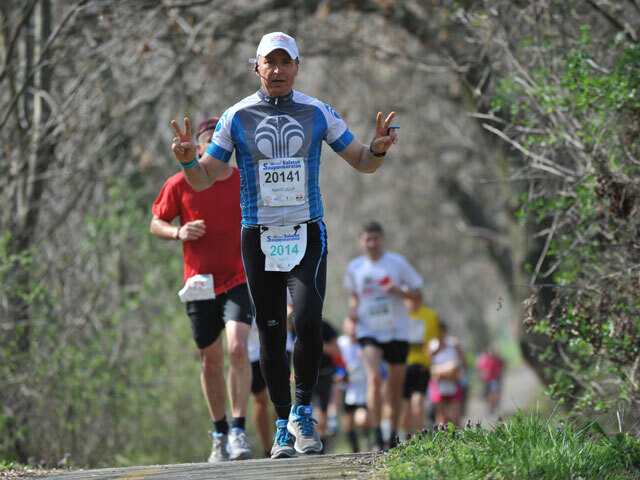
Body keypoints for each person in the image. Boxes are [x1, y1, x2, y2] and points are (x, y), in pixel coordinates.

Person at [170, 32, 398, 459]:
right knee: (272, 331)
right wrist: (187, 160)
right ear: (255, 67)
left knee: (308, 320)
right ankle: (280, 428)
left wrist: (380, 150)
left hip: (306, 233)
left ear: (297, 66)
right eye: (268, 62)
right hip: (258, 237)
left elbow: (363, 162)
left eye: (285, 62)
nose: (277, 70)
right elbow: (202, 177)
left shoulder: (317, 112)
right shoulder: (235, 116)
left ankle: (303, 413)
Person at [151, 117, 253, 462]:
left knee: (238, 348)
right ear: (199, 149)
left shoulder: (245, 182)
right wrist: (178, 232)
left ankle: (239, 429)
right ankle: (220, 433)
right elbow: (156, 222)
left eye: (223, 145)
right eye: (210, 143)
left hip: (239, 279)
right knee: (210, 362)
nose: (217, 150)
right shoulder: (179, 184)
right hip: (198, 284)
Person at [344, 220, 423, 450]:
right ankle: (377, 434)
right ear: (361, 242)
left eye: (375, 238)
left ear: (382, 239)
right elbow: (354, 299)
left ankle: (392, 434)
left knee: (395, 388)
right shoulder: (355, 268)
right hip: (369, 330)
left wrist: (398, 291)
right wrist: (351, 315)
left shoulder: (397, 263)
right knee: (375, 379)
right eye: (367, 239)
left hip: (397, 330)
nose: (372, 243)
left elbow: (418, 296)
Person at [400, 299, 440, 437]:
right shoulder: (399, 315)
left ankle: (418, 439)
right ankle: (404, 439)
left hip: (422, 367)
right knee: (404, 409)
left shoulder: (430, 315)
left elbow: (436, 339)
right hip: (402, 367)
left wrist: (433, 349)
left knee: (417, 405)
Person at [337, 316, 370, 453]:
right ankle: (355, 450)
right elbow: (336, 361)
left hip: (363, 387)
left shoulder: (365, 344)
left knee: (362, 419)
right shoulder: (340, 343)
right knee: (348, 422)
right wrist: (340, 373)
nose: (353, 329)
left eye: (355, 325)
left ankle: (367, 442)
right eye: (350, 325)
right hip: (346, 387)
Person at [428, 323, 465, 426]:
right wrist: (443, 370)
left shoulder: (453, 345)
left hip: (454, 382)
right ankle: (442, 440)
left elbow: (463, 363)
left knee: (455, 416)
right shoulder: (432, 346)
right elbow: (428, 365)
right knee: (441, 416)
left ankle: (456, 439)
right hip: (438, 384)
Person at [476, 346, 504, 415]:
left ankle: (493, 408)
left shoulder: (497, 360)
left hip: (494, 380)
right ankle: (490, 408)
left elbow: (501, 367)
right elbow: (479, 369)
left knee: (493, 394)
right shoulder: (484, 360)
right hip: (486, 381)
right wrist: (481, 376)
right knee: (487, 396)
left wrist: (500, 375)